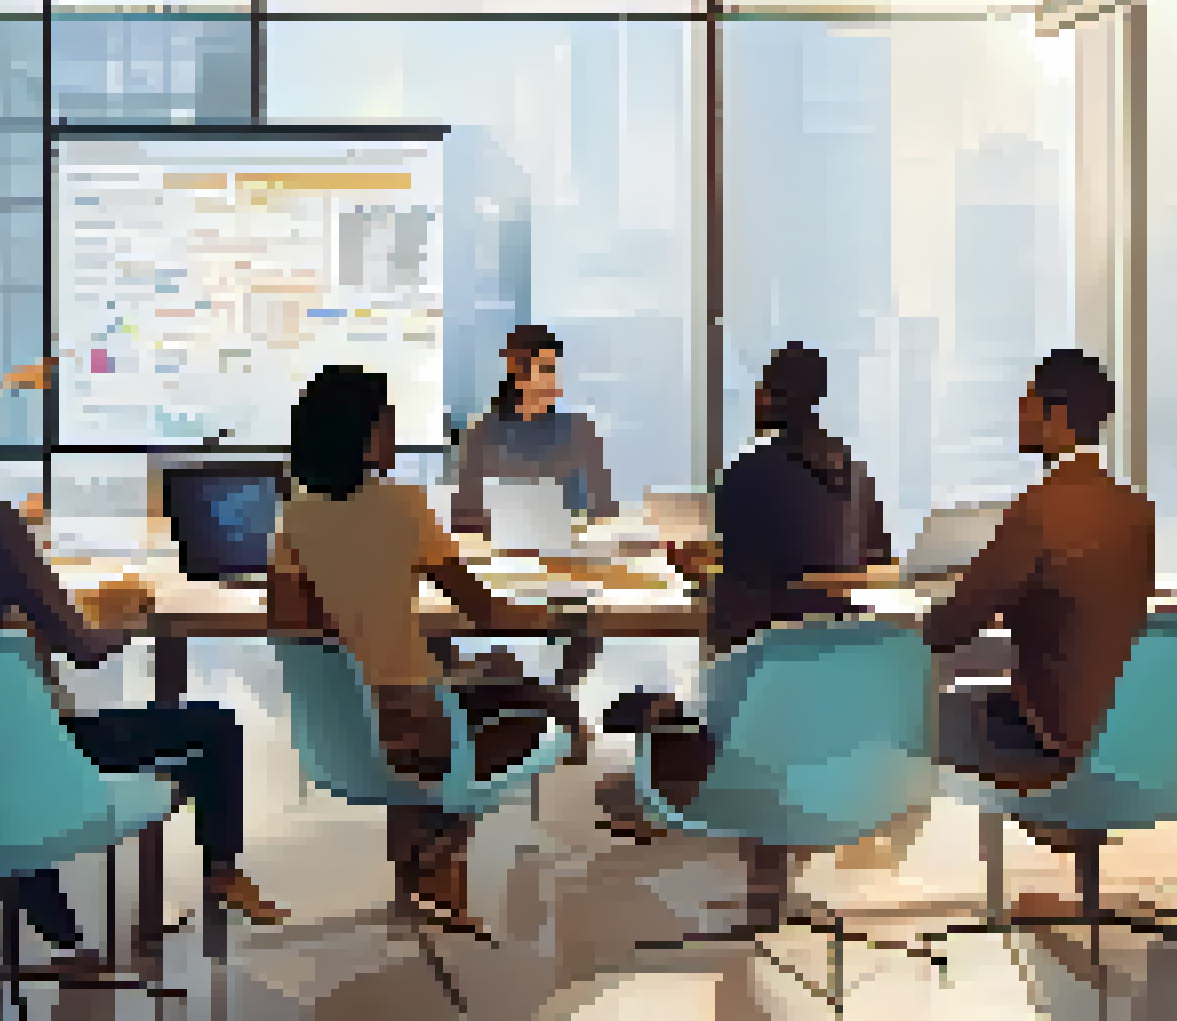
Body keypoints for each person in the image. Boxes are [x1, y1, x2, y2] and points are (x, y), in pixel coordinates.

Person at [0, 352, 287, 955]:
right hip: (28, 759)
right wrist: (131, 616)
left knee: (2, 769)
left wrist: (0, 629)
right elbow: (85, 647)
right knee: (213, 729)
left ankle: (71, 948)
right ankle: (223, 873)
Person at [269, 365, 581, 938]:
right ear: (361, 435)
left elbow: (295, 629)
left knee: (488, 678)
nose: (394, 430)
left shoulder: (293, 516)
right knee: (545, 713)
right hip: (419, 723)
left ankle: (423, 869)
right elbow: (484, 609)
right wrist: (560, 613)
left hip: (348, 731)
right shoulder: (403, 505)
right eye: (386, 420)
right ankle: (440, 847)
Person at [594, 343, 894, 925]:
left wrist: (697, 575)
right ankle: (770, 868)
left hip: (758, 713)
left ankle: (758, 867)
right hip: (838, 716)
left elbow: (734, 600)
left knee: (652, 748)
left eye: (760, 388)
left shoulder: (748, 476)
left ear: (771, 397)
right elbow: (871, 567)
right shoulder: (856, 475)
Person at [925, 349, 1156, 803]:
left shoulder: (1040, 507)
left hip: (1048, 733)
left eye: (1027, 401)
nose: (1019, 413)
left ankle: (867, 852)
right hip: (1119, 730)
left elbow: (950, 627)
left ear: (1056, 415)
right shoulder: (1135, 510)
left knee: (907, 712)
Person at [450, 325, 616, 536]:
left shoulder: (580, 431)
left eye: (555, 370)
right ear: (519, 373)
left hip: (572, 550)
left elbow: (603, 509)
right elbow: (465, 515)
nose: (555, 381)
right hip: (500, 553)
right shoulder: (481, 435)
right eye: (546, 370)